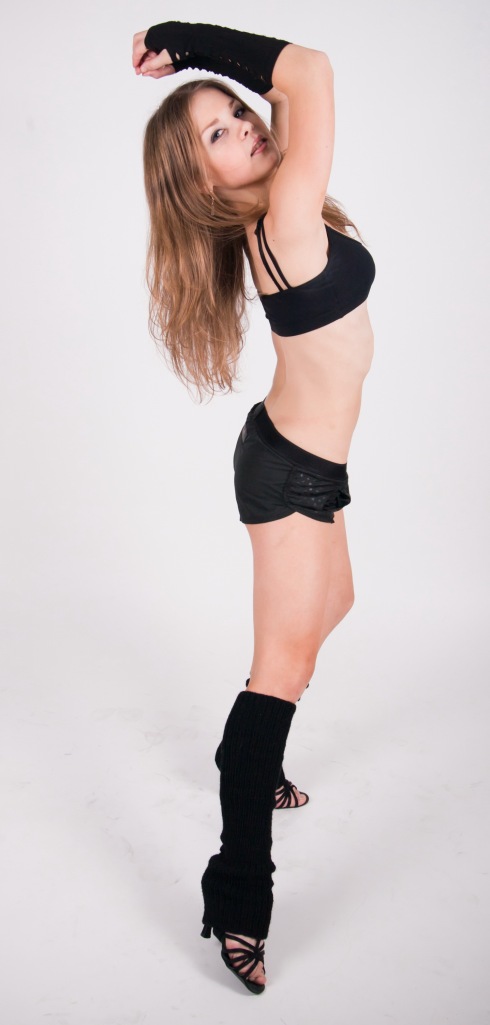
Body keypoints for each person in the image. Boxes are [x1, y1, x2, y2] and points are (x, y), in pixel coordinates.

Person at [132, 21, 376, 995]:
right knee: (282, 669)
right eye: (219, 134)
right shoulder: (286, 223)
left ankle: (247, 747)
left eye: (237, 112)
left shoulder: (281, 208)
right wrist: (179, 42)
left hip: (307, 460)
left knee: (333, 609)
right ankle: (237, 890)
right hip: (285, 474)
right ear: (201, 183)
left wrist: (217, 83)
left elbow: (286, 92)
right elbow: (307, 71)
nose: (247, 126)